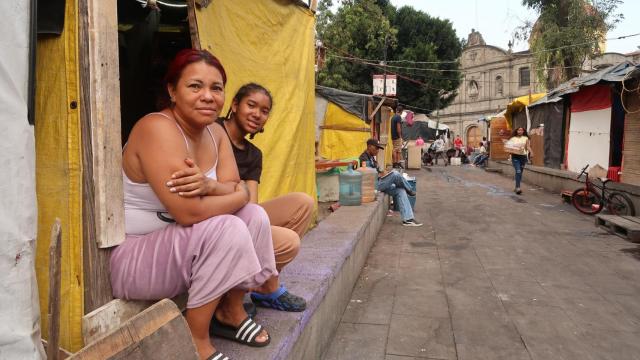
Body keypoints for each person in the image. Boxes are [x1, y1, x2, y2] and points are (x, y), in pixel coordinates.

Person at [111, 49, 277, 360]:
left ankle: (232, 311)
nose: (208, 96)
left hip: (183, 248)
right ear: (172, 91)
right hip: (137, 257)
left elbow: (230, 186)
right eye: (195, 86)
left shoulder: (215, 132)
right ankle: (196, 340)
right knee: (229, 224)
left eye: (216, 88)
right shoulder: (156, 128)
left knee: (253, 215)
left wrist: (217, 188)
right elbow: (189, 212)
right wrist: (237, 193)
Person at [210, 83, 314, 312]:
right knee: (289, 243)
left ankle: (263, 287)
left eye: (264, 111)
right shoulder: (212, 131)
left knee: (303, 204)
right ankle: (233, 293)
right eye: (251, 105)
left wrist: (241, 194)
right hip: (214, 218)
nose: (257, 114)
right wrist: (238, 192)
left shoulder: (253, 154)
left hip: (239, 212)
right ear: (235, 105)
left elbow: (251, 203)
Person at [360, 139, 423, 227]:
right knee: (395, 174)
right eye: (376, 148)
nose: (377, 151)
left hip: (379, 182)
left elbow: (378, 171)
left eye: (378, 149)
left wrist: (383, 173)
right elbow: (369, 174)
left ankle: (408, 219)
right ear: (369, 146)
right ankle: (409, 189)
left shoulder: (371, 158)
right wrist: (382, 174)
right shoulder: (364, 158)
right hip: (373, 187)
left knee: (400, 190)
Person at [506, 127, 533, 195]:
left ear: (523, 131)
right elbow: (509, 147)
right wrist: (509, 151)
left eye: (522, 130)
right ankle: (518, 188)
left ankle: (516, 187)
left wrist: (531, 152)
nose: (520, 131)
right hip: (515, 157)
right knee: (518, 171)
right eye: (519, 130)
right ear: (517, 131)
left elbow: (528, 146)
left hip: (523, 157)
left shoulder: (526, 138)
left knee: (520, 173)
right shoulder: (513, 138)